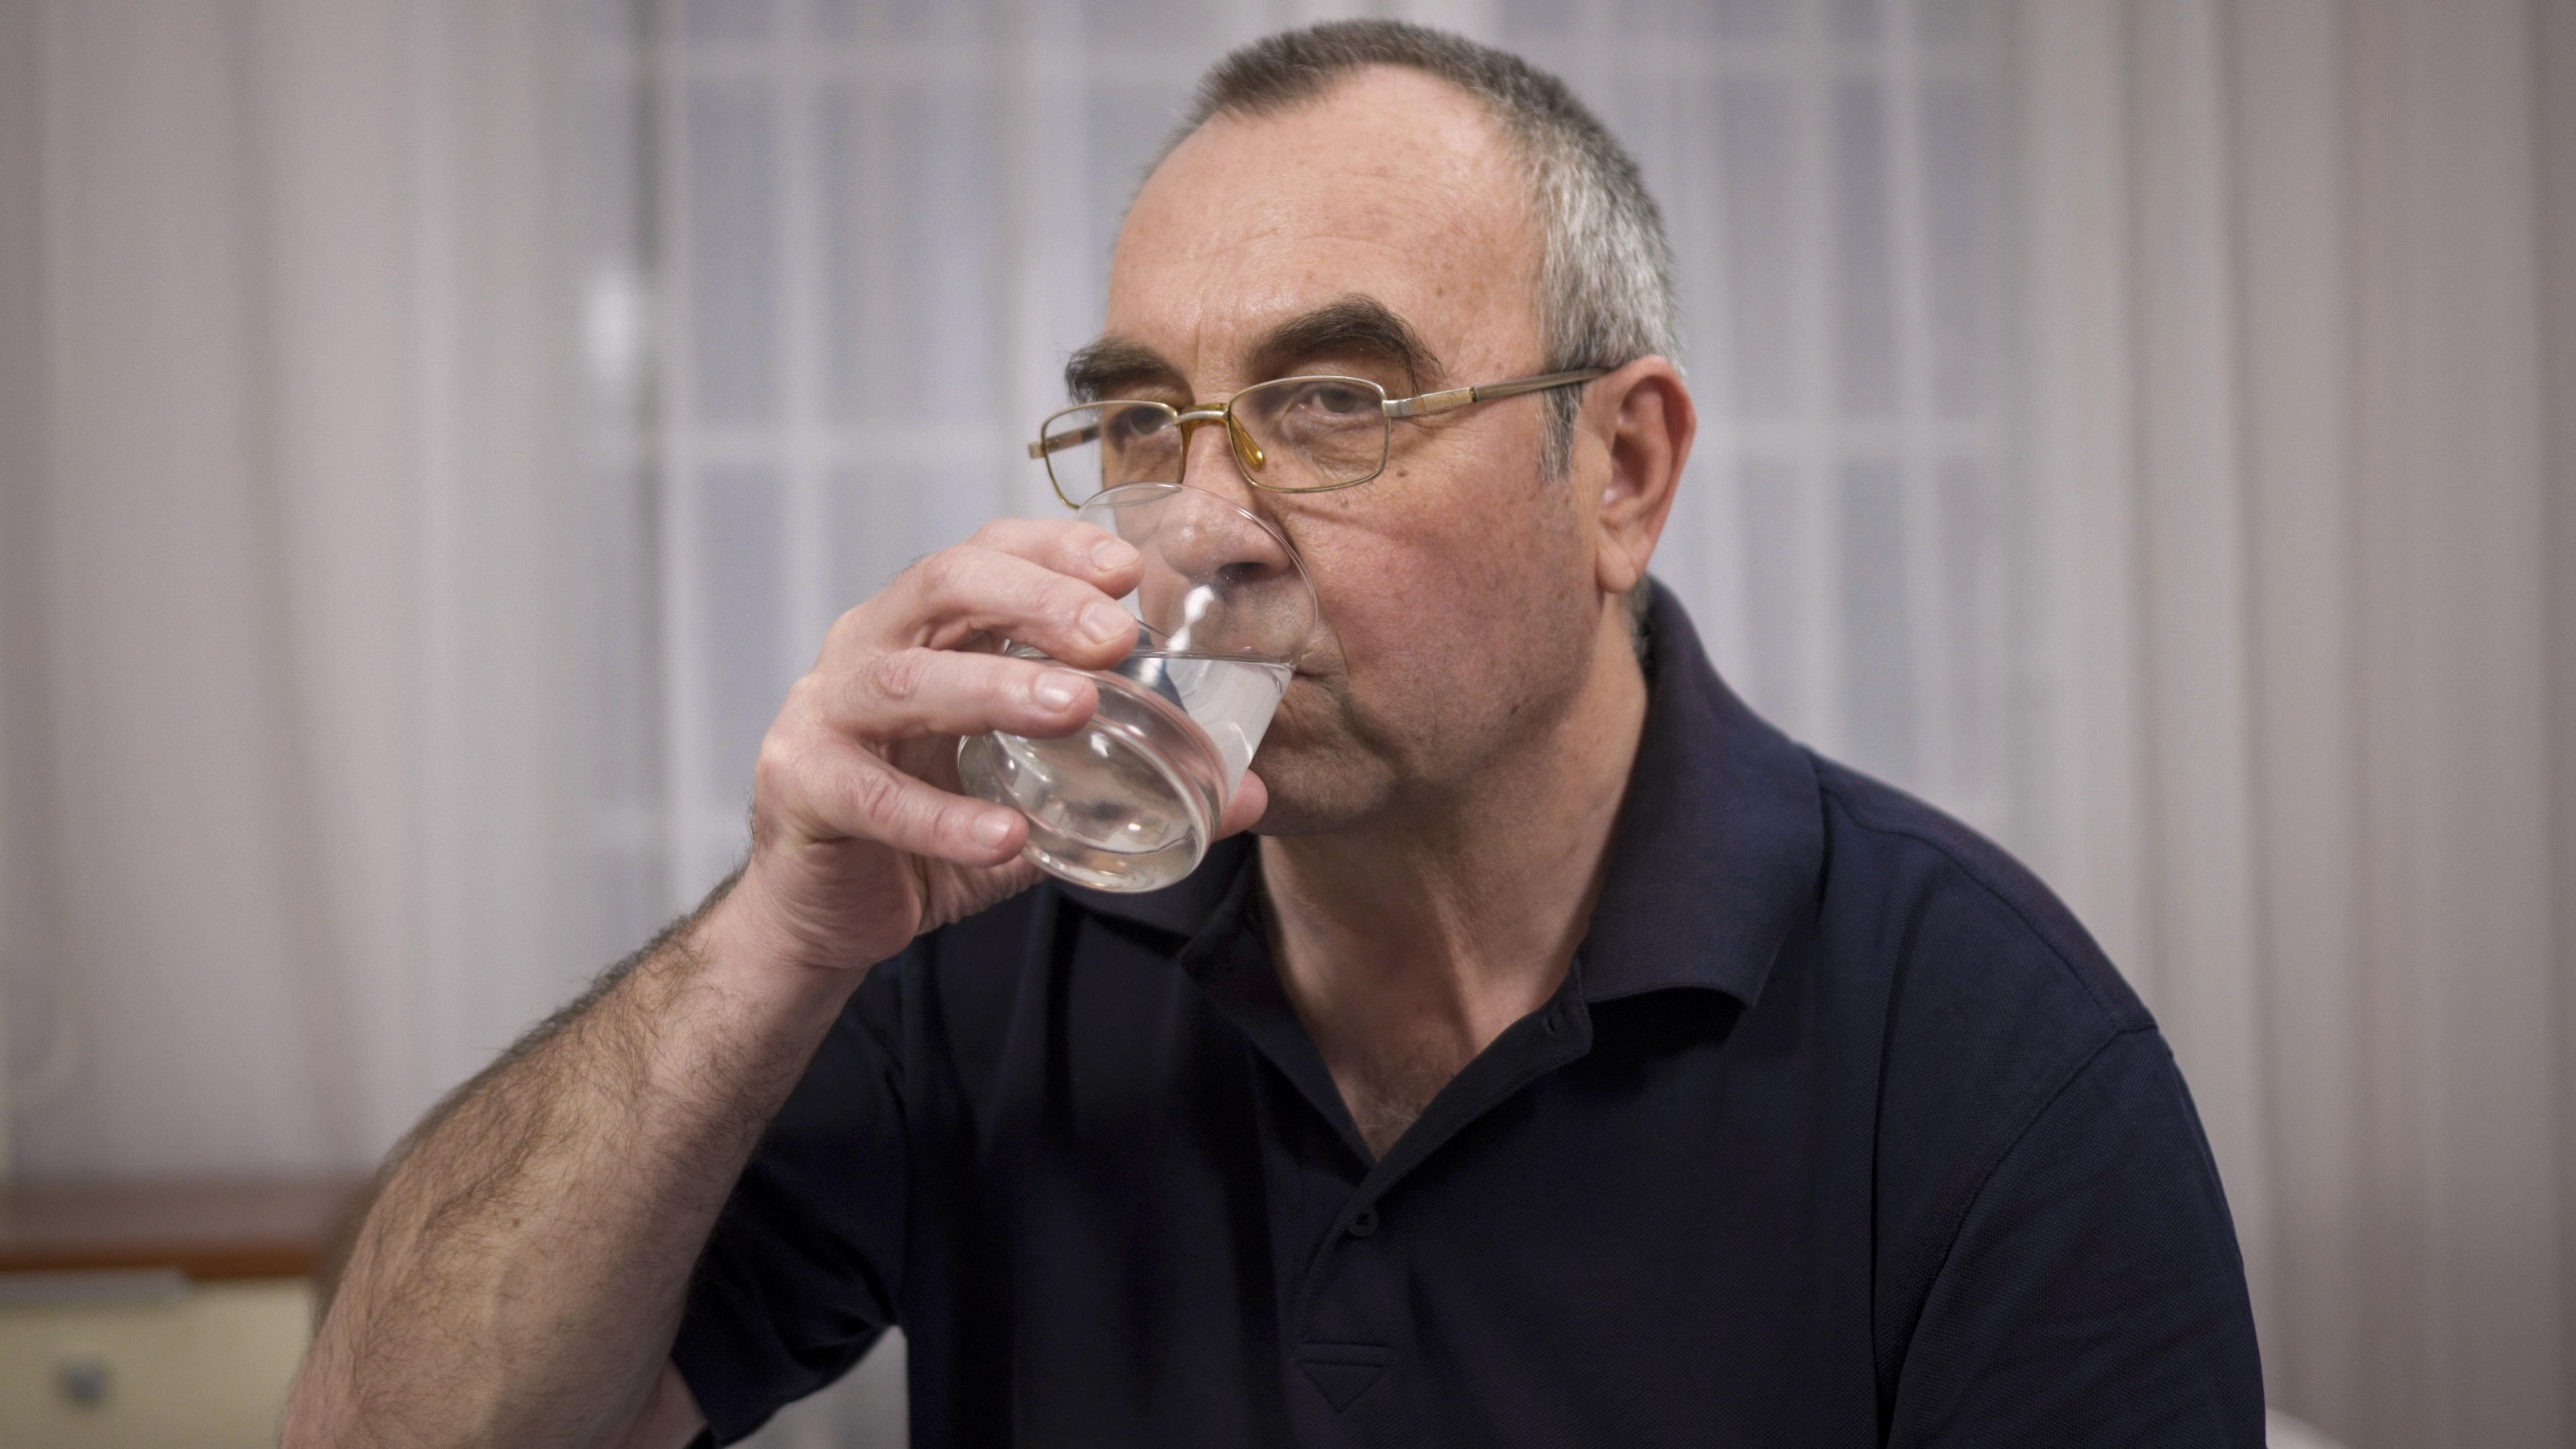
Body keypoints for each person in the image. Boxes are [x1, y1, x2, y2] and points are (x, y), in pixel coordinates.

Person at [284, 20, 2262, 1448]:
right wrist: (772, 944)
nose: (1204, 523)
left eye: (1332, 400)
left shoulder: (1995, 1060)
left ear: (1624, 475)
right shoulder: (983, 939)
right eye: (1148, 422)